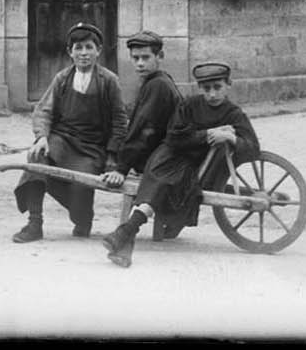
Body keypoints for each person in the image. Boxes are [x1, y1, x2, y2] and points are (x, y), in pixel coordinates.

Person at [102, 60, 258, 268]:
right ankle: (127, 234)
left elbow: (253, 148)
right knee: (161, 176)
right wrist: (209, 134)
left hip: (197, 167)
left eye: (217, 87)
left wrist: (231, 139)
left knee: (168, 182)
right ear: (199, 88)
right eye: (206, 88)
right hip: (170, 155)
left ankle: (127, 231)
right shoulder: (190, 105)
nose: (212, 94)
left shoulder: (234, 114)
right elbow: (174, 137)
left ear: (228, 84)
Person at [12, 22, 127, 242]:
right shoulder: (62, 78)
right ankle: (34, 223)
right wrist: (42, 137)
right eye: (78, 48)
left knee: (80, 194)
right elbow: (43, 111)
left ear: (98, 51)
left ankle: (83, 219)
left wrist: (112, 157)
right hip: (62, 140)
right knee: (37, 158)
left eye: (89, 47)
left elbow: (120, 122)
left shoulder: (109, 81)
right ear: (70, 52)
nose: (84, 53)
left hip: (92, 148)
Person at [105, 30, 180, 237]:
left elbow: (142, 132)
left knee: (111, 164)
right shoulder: (157, 81)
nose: (139, 63)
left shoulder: (157, 85)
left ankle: (124, 232)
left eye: (146, 58)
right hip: (161, 152)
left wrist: (121, 168)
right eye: (135, 58)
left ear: (160, 57)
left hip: (163, 158)